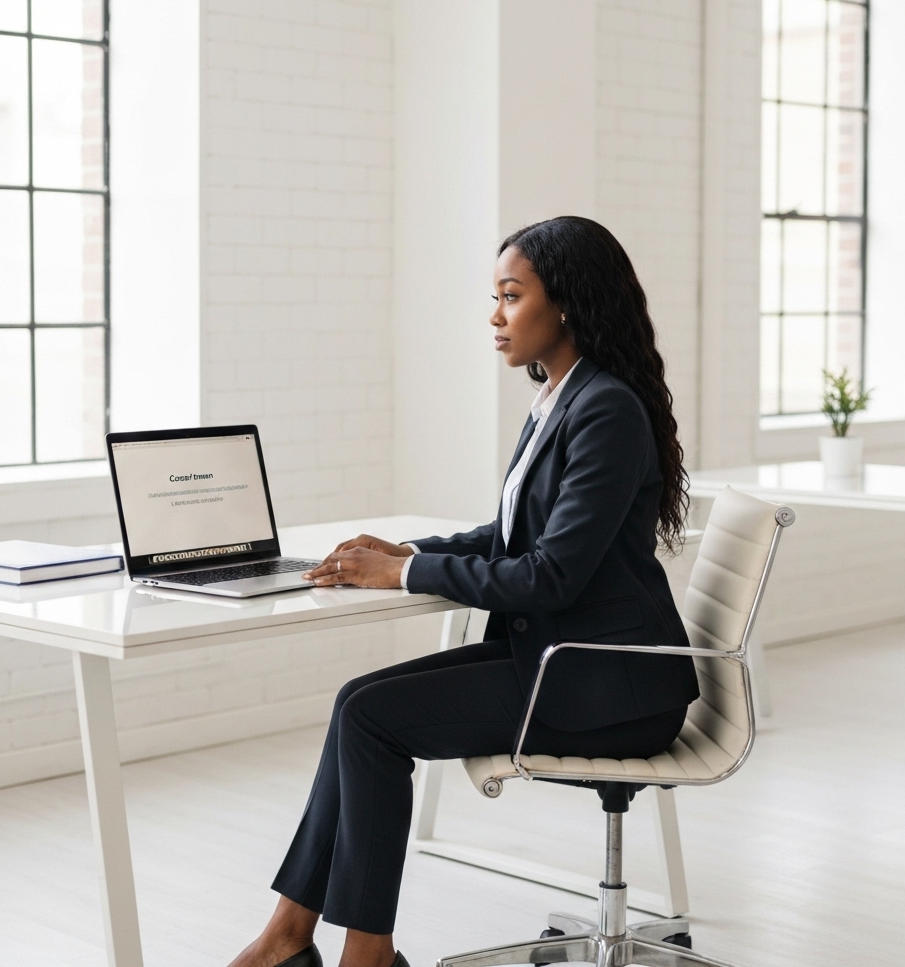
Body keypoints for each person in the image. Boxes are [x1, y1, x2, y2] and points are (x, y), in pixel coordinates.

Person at [227, 217, 700, 967]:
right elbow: (512, 534)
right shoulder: (562, 398)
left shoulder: (604, 409)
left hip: (608, 687)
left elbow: (550, 576)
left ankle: (360, 954)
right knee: (359, 706)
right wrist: (408, 552)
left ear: (567, 303)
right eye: (496, 296)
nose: (495, 315)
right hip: (563, 662)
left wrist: (404, 575)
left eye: (511, 296)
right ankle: (291, 939)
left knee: (372, 720)